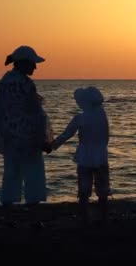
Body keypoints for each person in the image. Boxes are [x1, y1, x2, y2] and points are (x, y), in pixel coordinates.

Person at [0, 45, 52, 228]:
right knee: (33, 176)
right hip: (28, 138)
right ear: (24, 64)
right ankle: (33, 219)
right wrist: (44, 138)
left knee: (11, 175)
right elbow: (35, 113)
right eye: (33, 64)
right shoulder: (26, 84)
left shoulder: (4, 82)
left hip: (10, 138)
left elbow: (0, 112)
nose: (35, 68)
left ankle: (8, 217)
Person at [50, 86, 110, 224]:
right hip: (101, 155)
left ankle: (85, 217)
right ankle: (104, 217)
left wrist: (53, 145)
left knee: (84, 189)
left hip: (85, 157)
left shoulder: (80, 118)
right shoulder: (102, 115)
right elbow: (106, 136)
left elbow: (67, 134)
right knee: (102, 189)